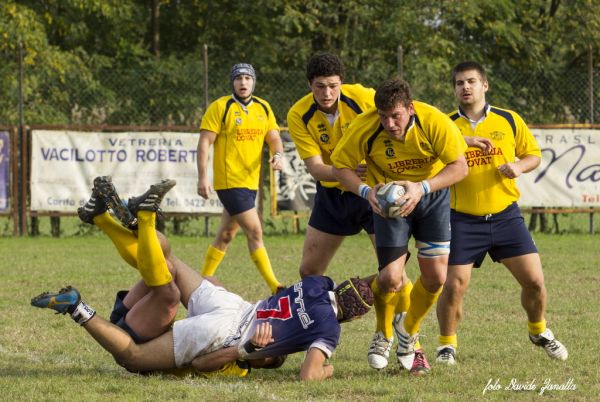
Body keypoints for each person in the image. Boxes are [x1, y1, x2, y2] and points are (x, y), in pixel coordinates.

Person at [32, 177, 375, 381]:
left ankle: (141, 223)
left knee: (166, 266)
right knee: (134, 358)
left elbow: (369, 284)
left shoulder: (318, 283)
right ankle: (79, 306)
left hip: (233, 306)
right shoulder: (329, 329)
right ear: (355, 316)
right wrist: (327, 368)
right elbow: (308, 375)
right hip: (227, 333)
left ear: (341, 285)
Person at [331, 77, 468, 375]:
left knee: (435, 278)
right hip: (387, 201)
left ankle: (408, 332)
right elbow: (339, 167)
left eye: (396, 116)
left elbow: (460, 166)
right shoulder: (365, 127)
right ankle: (383, 334)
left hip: (431, 197)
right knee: (391, 277)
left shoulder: (435, 121)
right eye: (384, 116)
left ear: (411, 108)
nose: (390, 123)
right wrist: (366, 192)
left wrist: (422, 187)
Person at [434, 61, 568, 365]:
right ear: (453, 88)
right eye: (458, 83)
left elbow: (533, 155)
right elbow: (427, 158)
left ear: (485, 85)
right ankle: (446, 345)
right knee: (454, 285)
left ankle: (538, 331)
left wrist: (518, 166)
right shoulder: (443, 125)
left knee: (535, 282)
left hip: (506, 216)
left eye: (471, 81)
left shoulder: (509, 119)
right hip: (461, 220)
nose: (465, 87)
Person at [287, 52, 411, 370]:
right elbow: (316, 168)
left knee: (395, 274)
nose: (327, 94)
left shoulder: (361, 97)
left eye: (332, 86)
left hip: (375, 194)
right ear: (309, 86)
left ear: (342, 82)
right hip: (333, 196)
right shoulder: (298, 114)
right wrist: (346, 173)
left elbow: (406, 115)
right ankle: (319, 334)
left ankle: (411, 342)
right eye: (319, 87)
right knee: (308, 272)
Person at [196, 63, 285, 294]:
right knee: (255, 231)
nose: (243, 82)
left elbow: (274, 138)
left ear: (254, 81)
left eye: (247, 78)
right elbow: (205, 142)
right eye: (238, 78)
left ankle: (201, 281)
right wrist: (203, 177)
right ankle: (275, 285)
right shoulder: (220, 107)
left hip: (250, 182)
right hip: (229, 182)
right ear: (232, 82)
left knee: (226, 235)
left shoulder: (263, 108)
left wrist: (278, 155)